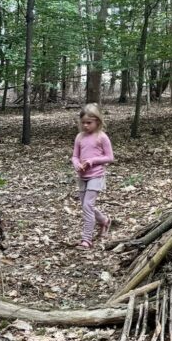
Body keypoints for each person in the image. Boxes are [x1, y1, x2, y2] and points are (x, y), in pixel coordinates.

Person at [71, 104, 114, 250]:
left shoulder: (102, 137)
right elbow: (75, 156)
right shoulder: (79, 137)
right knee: (86, 206)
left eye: (89, 122)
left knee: (87, 206)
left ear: (97, 121)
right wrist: (77, 164)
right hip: (82, 176)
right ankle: (104, 221)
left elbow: (110, 157)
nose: (85, 125)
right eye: (83, 122)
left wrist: (92, 161)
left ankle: (86, 239)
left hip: (96, 175)